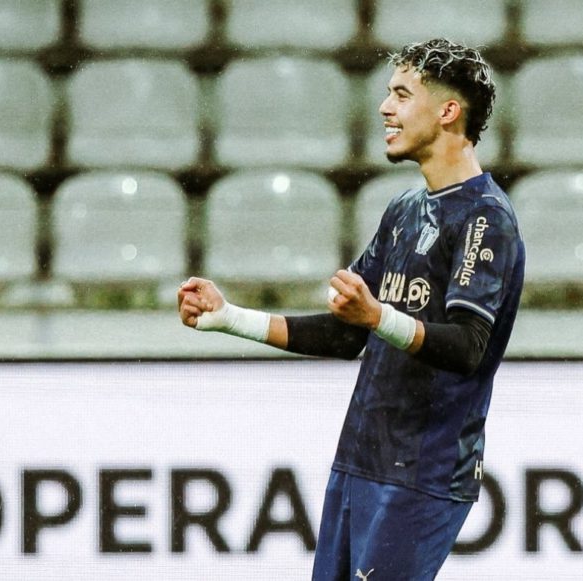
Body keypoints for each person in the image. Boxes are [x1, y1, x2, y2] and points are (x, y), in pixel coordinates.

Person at [178, 38, 525, 581]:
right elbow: (347, 335)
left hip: (423, 473)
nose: (385, 108)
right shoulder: (404, 209)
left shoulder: (486, 218)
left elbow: (467, 347)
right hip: (361, 460)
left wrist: (378, 317)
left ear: (448, 112)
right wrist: (230, 317)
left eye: (402, 95)